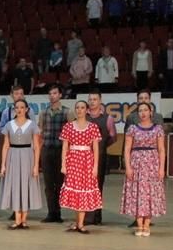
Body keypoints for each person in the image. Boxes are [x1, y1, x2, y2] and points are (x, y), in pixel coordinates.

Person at [119, 102, 167, 237]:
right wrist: (128, 166)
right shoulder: (132, 129)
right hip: (136, 163)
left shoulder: (158, 129)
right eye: (140, 111)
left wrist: (161, 168)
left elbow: (162, 149)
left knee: (150, 193)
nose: (143, 113)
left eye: (146, 110)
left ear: (151, 112)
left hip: (152, 164)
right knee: (138, 193)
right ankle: (139, 224)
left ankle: (147, 224)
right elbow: (127, 149)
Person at [59, 100, 103, 234]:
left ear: (86, 110)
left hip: (86, 161)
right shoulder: (68, 126)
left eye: (82, 107)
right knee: (75, 191)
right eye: (77, 108)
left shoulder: (92, 127)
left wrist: (95, 166)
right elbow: (65, 146)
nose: (79, 110)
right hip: (73, 160)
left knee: (84, 189)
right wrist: (63, 164)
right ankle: (77, 222)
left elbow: (95, 148)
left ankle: (81, 223)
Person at [0, 99, 42, 229]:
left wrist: (35, 165)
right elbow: (5, 146)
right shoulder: (9, 125)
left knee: (26, 184)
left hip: (28, 156)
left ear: (27, 109)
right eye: (17, 107)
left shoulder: (32, 125)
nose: (19, 109)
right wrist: (3, 164)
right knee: (15, 185)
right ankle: (17, 218)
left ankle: (24, 219)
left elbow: (37, 147)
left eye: (22, 107)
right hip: (13, 156)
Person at [38, 84, 74, 223]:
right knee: (48, 183)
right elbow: (41, 132)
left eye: (55, 93)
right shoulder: (43, 112)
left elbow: (72, 133)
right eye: (50, 93)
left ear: (60, 95)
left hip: (61, 150)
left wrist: (69, 153)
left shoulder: (67, 112)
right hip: (47, 150)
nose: (52, 95)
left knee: (59, 183)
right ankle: (50, 212)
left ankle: (58, 212)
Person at [84, 90, 116, 226]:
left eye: (95, 99)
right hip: (83, 157)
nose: (92, 102)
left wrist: (101, 146)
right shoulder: (83, 117)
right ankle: (87, 216)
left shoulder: (107, 118)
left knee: (97, 187)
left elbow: (113, 137)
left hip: (100, 157)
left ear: (100, 100)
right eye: (90, 99)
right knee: (84, 187)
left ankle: (96, 216)